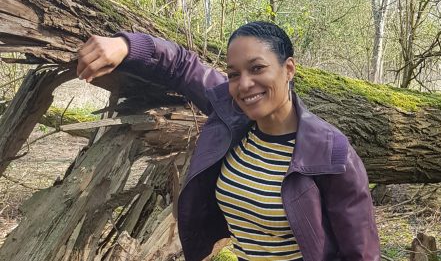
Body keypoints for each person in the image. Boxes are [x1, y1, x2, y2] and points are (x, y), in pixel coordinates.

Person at [77, 21, 380, 261]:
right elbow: (182, 66)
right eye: (234, 74)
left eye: (257, 68)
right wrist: (125, 45)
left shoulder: (331, 152)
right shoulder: (232, 114)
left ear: (288, 69)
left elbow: (362, 253)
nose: (244, 84)